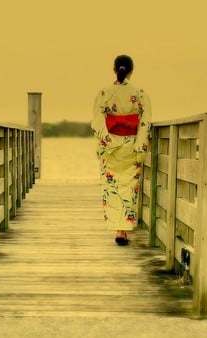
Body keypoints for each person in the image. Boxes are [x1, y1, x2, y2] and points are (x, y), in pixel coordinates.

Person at [91, 54, 151, 245]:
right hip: (132, 145)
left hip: (111, 148)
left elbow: (97, 121)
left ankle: (118, 231)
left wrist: (107, 140)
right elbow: (145, 123)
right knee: (129, 188)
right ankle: (123, 230)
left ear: (115, 70)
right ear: (131, 71)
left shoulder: (103, 94)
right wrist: (140, 147)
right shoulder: (140, 94)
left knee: (111, 187)